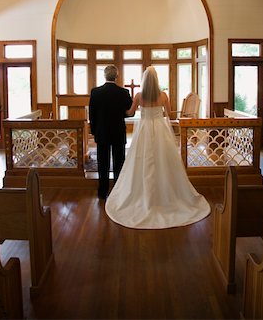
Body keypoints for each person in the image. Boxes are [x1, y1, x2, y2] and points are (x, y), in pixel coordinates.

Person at [105, 66, 211, 229]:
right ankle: (166, 194)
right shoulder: (163, 96)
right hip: (161, 130)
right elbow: (169, 114)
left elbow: (129, 112)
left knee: (142, 160)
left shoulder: (139, 96)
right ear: (156, 80)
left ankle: (143, 195)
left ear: (144, 80)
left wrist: (114, 110)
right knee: (164, 159)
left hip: (144, 130)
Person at [89, 65, 133, 199]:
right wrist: (119, 114)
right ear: (116, 76)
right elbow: (130, 113)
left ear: (104, 76)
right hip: (118, 132)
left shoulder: (95, 92)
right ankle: (118, 192)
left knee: (103, 162)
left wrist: (94, 131)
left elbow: (92, 114)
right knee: (119, 162)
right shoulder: (123, 92)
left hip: (102, 132)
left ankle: (102, 192)